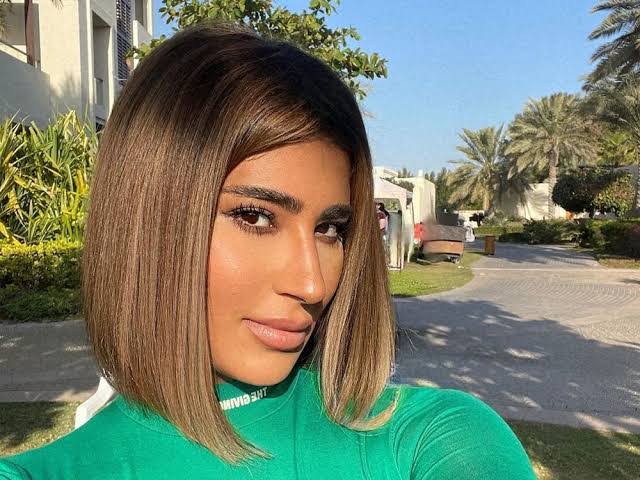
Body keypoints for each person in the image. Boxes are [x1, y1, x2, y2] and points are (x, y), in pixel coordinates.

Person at [0, 21, 536, 479]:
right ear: (149, 220)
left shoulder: (433, 438)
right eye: (254, 217)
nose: (313, 284)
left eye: (331, 229)